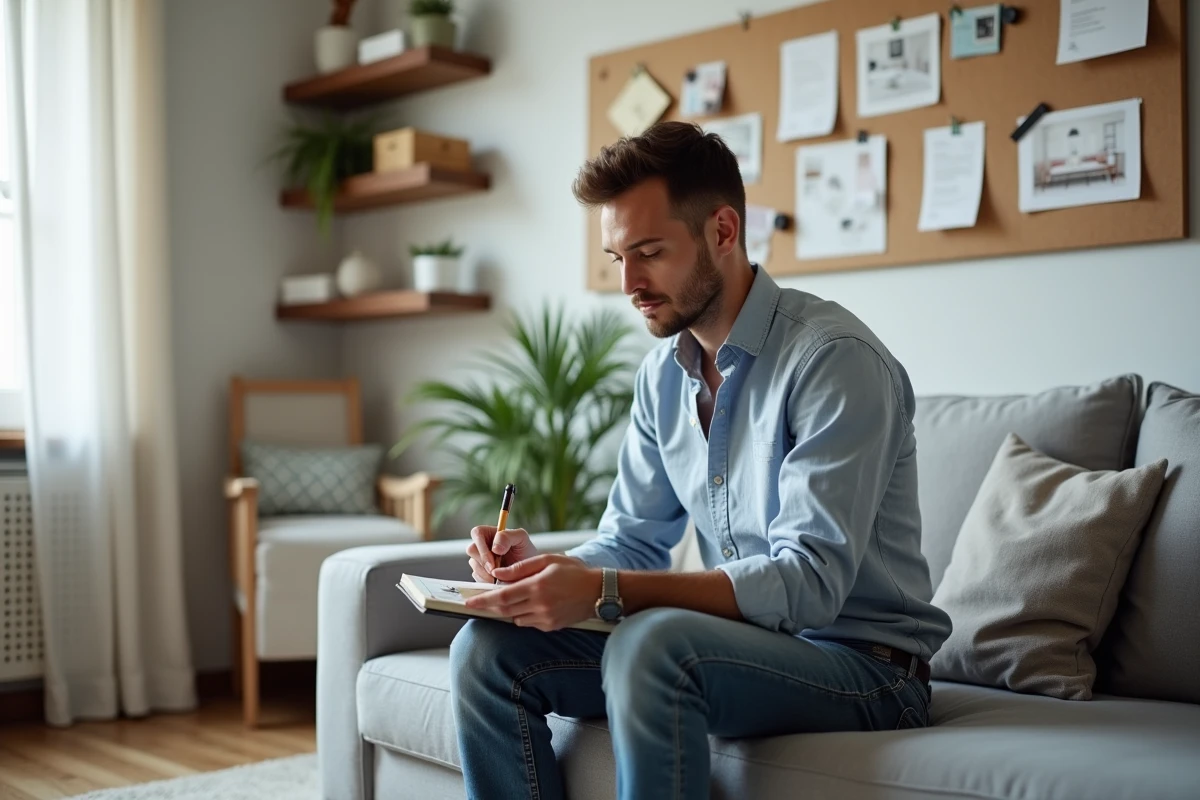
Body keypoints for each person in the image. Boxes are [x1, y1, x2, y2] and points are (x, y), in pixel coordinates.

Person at [450, 120, 952, 800]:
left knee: (650, 645)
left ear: (722, 231)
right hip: (731, 649)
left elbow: (808, 582)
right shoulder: (663, 378)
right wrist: (547, 568)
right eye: (616, 257)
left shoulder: (834, 361)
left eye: (649, 252)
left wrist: (604, 591)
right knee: (485, 652)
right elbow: (633, 540)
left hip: (867, 666)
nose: (628, 282)